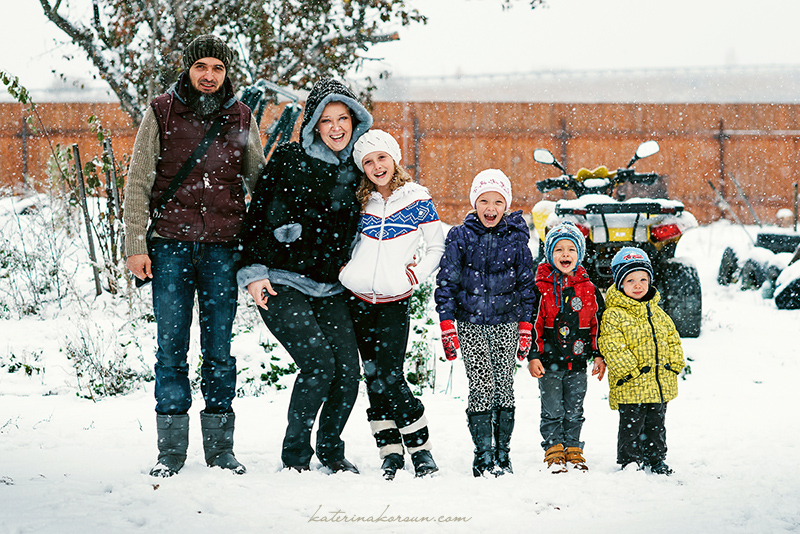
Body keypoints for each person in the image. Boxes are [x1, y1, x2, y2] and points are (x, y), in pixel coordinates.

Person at [123, 34, 265, 477]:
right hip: (169, 246)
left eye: (217, 68)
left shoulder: (242, 116)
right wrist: (135, 245)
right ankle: (171, 452)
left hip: (223, 249)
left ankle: (221, 451)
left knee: (220, 349)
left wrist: (264, 247)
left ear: (226, 73)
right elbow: (138, 181)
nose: (209, 75)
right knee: (171, 348)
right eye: (201, 66)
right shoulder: (161, 112)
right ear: (188, 68)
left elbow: (258, 182)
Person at [237, 78, 372, 474]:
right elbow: (258, 216)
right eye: (325, 119)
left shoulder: (360, 167)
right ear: (312, 123)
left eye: (342, 118)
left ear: (354, 120)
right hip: (281, 279)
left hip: (331, 286)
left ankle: (331, 450)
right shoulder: (290, 159)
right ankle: (295, 456)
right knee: (318, 364)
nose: (335, 127)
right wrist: (254, 273)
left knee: (348, 372)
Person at [339, 129, 445, 480]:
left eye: (381, 157)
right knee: (373, 377)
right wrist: (345, 269)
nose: (376, 166)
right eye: (368, 161)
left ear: (394, 159)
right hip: (357, 300)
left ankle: (420, 449)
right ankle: (390, 452)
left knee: (390, 374)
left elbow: (437, 247)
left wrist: (413, 277)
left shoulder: (417, 199)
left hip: (393, 301)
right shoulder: (360, 200)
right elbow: (342, 240)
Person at [434, 170, 536, 476]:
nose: (490, 207)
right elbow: (447, 283)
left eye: (497, 201)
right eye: (484, 201)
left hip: (507, 322)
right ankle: (483, 454)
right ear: (474, 203)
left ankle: (503, 454)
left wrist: (526, 326)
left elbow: (526, 287)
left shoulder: (517, 239)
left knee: (504, 386)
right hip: (470, 323)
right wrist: (447, 324)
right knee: (482, 385)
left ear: (506, 205)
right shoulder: (460, 237)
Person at [598, 247, 685, 475]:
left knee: (656, 425)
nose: (638, 285)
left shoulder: (658, 313)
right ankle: (630, 460)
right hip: (631, 383)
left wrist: (675, 364)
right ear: (620, 284)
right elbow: (612, 344)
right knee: (632, 425)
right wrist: (631, 372)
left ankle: (656, 459)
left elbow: (672, 339)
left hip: (659, 382)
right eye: (630, 280)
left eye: (643, 279)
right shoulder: (614, 314)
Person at [527, 221, 605, 473]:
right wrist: (533, 356)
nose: (565, 254)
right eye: (558, 249)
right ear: (550, 254)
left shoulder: (589, 289)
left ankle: (573, 447)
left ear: (579, 254)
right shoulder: (541, 288)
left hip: (577, 361)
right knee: (552, 408)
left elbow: (597, 324)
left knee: (574, 408)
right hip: (549, 362)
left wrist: (599, 355)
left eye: (571, 249)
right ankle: (553, 448)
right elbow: (533, 324)